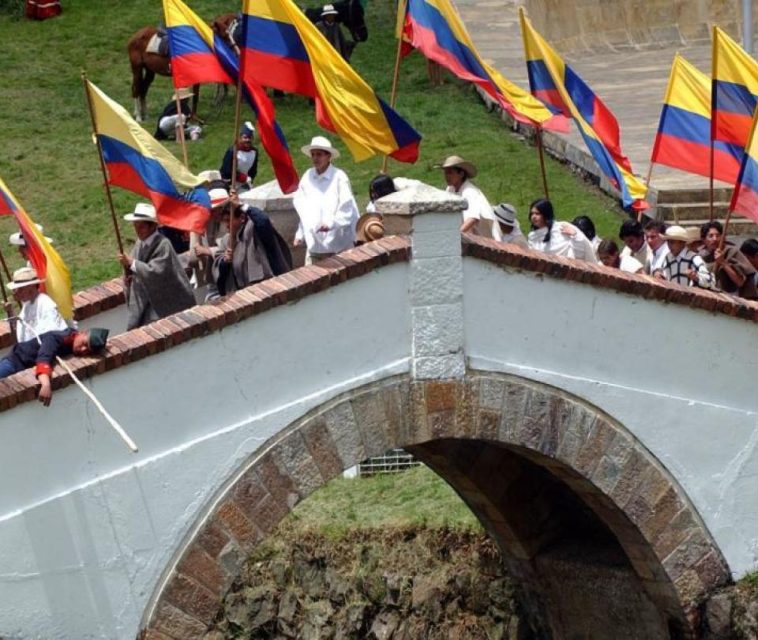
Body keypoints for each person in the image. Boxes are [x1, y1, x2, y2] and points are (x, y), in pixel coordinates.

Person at [118, 203, 196, 330]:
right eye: (135, 226)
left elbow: (156, 272)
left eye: (141, 226)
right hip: (147, 304)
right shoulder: (139, 244)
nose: (138, 230)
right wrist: (128, 276)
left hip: (167, 305)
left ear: (153, 226)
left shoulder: (163, 245)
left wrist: (132, 263)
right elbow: (135, 269)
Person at [0, 327, 109, 406]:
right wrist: (46, 385)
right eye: (84, 343)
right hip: (14, 363)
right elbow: (44, 358)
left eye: (88, 351)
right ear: (82, 333)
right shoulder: (56, 338)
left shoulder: (72, 346)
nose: (83, 350)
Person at [293, 136, 359, 265]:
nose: (316, 158)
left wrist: (331, 224)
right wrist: (300, 234)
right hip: (314, 245)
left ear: (329, 156)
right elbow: (304, 209)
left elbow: (346, 207)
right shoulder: (307, 177)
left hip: (337, 245)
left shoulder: (339, 177)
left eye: (319, 154)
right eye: (313, 155)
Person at [212, 195, 290, 296]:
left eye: (229, 220)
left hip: (269, 289)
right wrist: (225, 261)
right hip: (244, 294)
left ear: (242, 218)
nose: (227, 225)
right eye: (225, 221)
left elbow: (263, 221)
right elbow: (221, 272)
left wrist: (241, 206)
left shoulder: (254, 229)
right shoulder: (226, 240)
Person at [437, 155, 499, 239]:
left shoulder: (470, 192)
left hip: (484, 240)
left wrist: (453, 237)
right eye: (445, 173)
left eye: (450, 172)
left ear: (461, 174)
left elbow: (472, 219)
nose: (446, 176)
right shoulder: (450, 189)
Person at [5, 266, 68, 344]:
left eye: (20, 289)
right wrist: (10, 312)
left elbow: (50, 334)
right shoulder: (27, 305)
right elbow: (21, 329)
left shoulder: (45, 303)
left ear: (31, 287)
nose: (16, 293)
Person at [698, 221, 757, 299]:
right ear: (704, 239)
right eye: (711, 236)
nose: (715, 239)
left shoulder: (732, 251)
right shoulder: (700, 256)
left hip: (732, 299)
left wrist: (723, 262)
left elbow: (740, 282)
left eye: (718, 235)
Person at [527, 199, 595, 261]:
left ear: (545, 214)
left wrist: (575, 236)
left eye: (537, 214)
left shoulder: (562, 227)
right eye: (532, 213)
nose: (533, 217)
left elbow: (580, 250)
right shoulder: (532, 236)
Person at [220, 122, 258, 190]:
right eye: (245, 137)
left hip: (245, 183)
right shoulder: (232, 151)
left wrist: (249, 180)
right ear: (240, 138)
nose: (247, 140)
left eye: (250, 138)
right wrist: (243, 178)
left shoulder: (254, 152)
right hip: (230, 184)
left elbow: (253, 170)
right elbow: (226, 171)